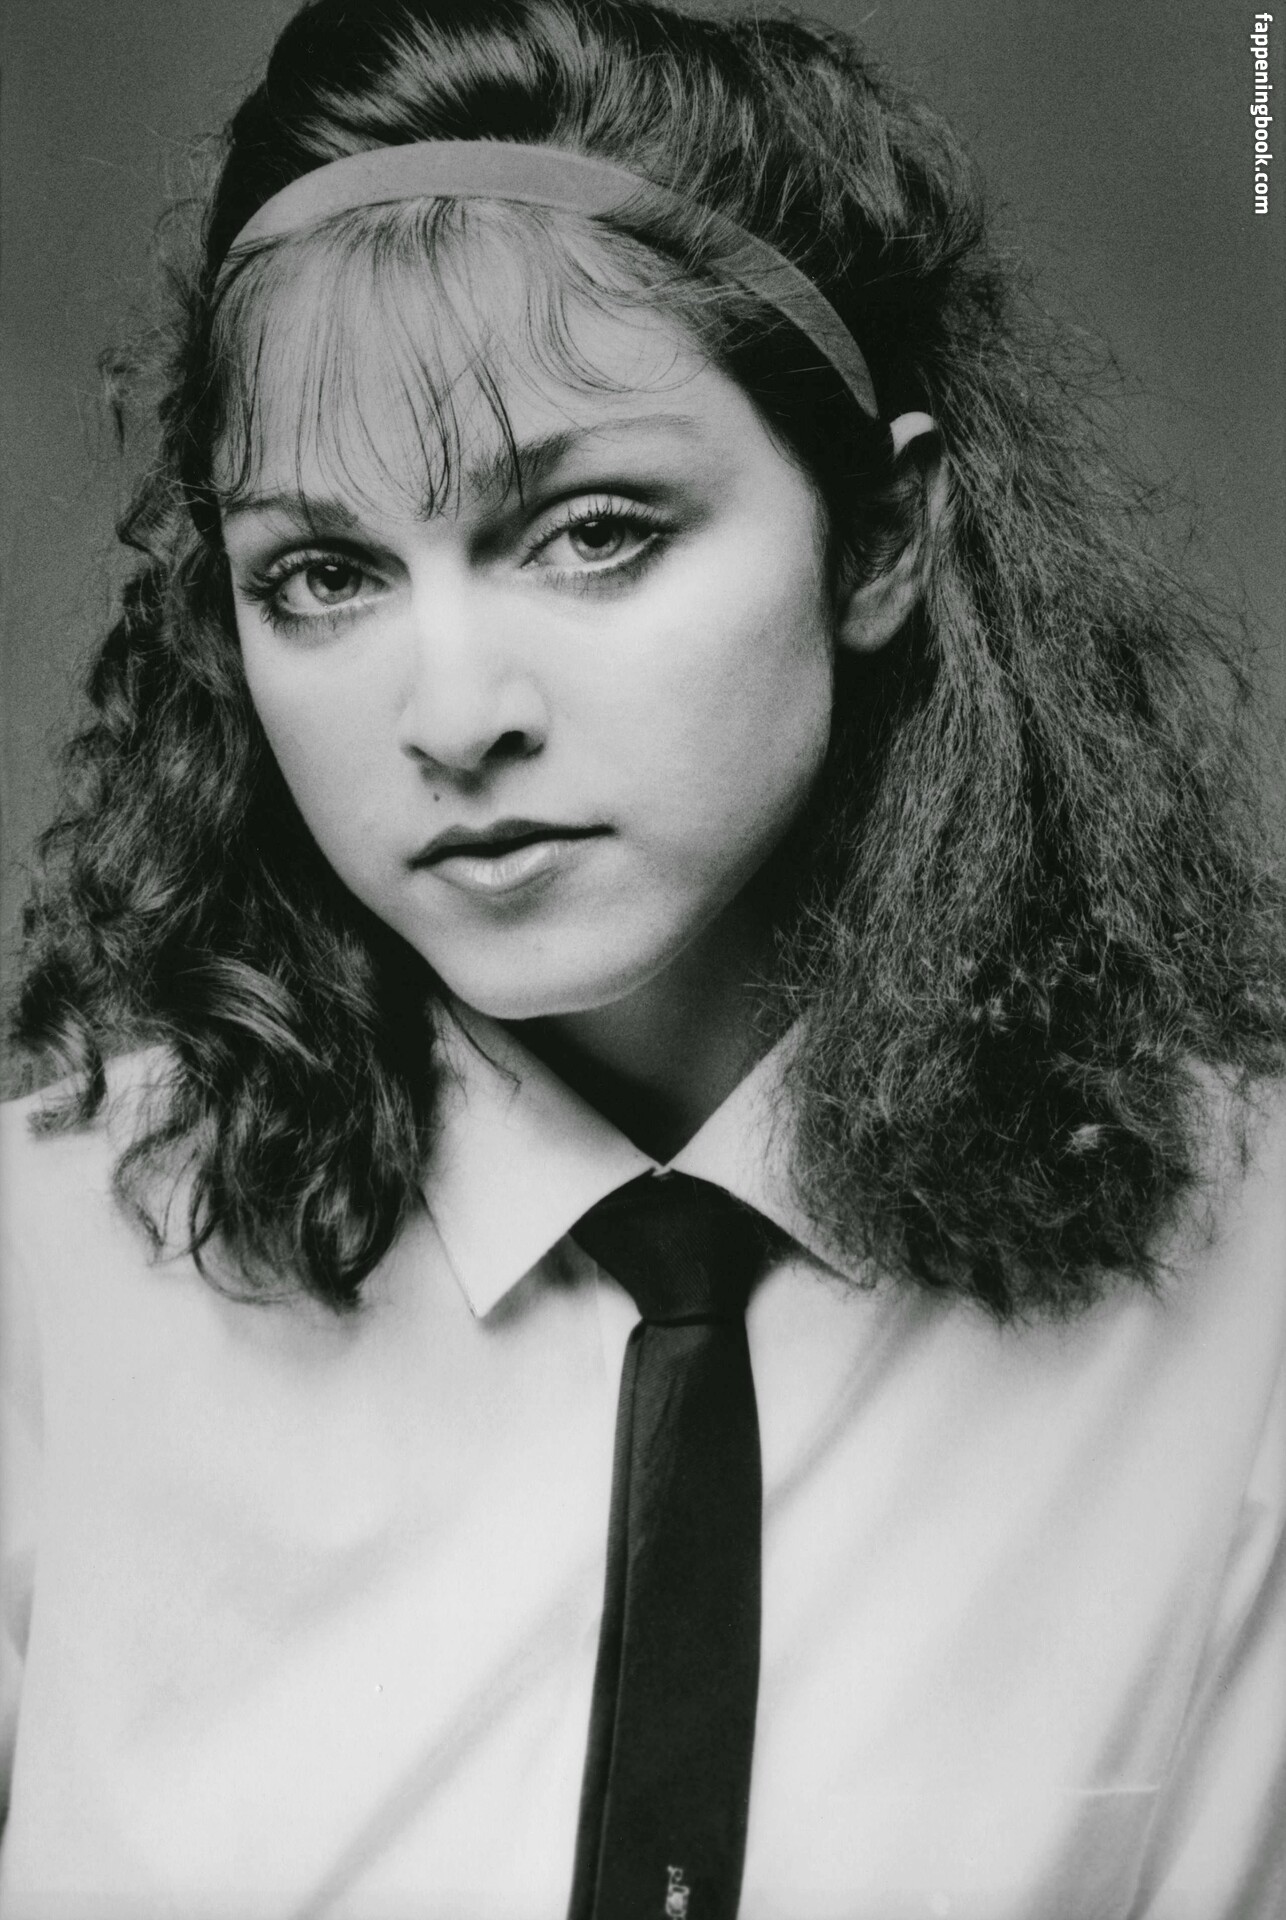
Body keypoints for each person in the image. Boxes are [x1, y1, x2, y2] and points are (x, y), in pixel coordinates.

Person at [2, 0, 1284, 1914]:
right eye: (323, 575)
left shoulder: (1249, 1287)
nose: (454, 714)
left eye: (593, 534)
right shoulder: (47, 1270)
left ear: (878, 540)